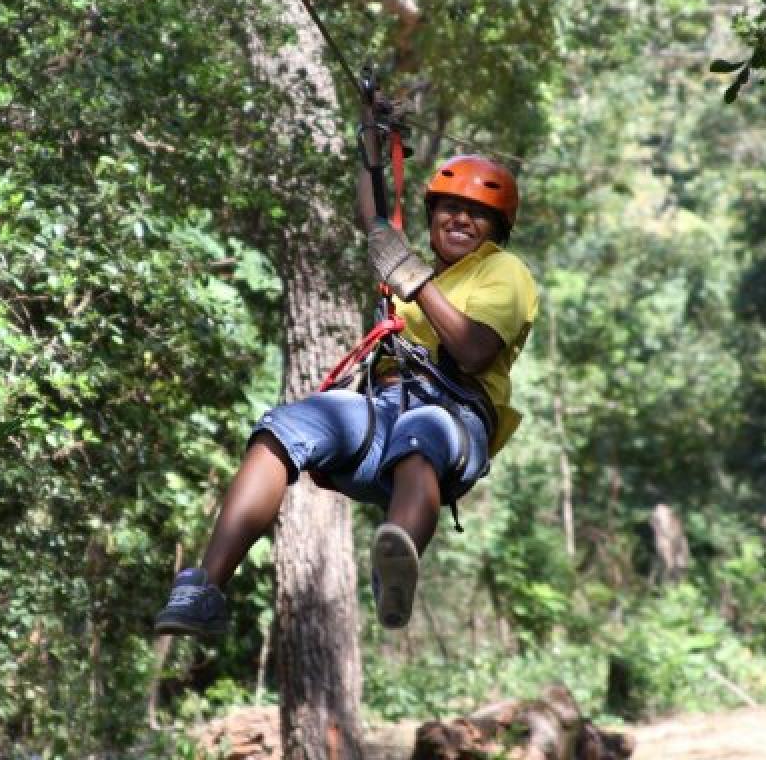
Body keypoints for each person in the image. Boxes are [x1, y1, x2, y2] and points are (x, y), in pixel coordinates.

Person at [154, 132, 538, 637]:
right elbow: (374, 218)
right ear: (432, 215)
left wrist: (413, 279)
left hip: (455, 414)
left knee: (423, 431)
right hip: (380, 406)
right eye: (449, 207)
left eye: (477, 213)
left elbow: (472, 350)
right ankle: (205, 589)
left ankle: (396, 561)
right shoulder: (415, 274)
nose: (461, 219)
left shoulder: (504, 271)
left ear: (497, 228)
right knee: (283, 427)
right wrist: (371, 140)